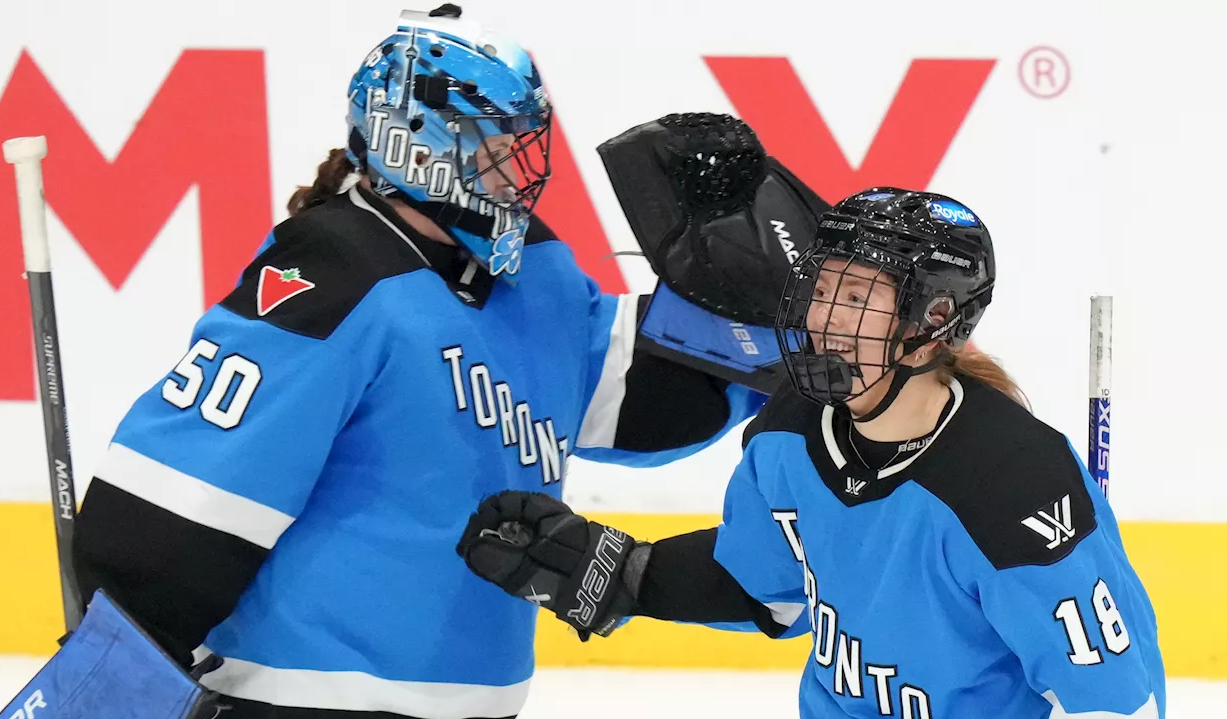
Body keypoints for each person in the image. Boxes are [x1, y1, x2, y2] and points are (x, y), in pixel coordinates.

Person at [68, 6, 774, 719]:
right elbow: (176, 505)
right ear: (418, 147)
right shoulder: (331, 276)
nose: (519, 174)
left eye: (523, 147)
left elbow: (637, 396)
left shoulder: (534, 269)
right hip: (301, 703)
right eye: (497, 150)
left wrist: (763, 308)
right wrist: (115, 677)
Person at [458, 188, 1167, 719]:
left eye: (857, 295)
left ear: (934, 321)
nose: (826, 317)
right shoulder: (789, 434)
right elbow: (766, 586)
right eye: (823, 288)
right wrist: (626, 572)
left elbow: (1114, 696)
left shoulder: (1014, 481)